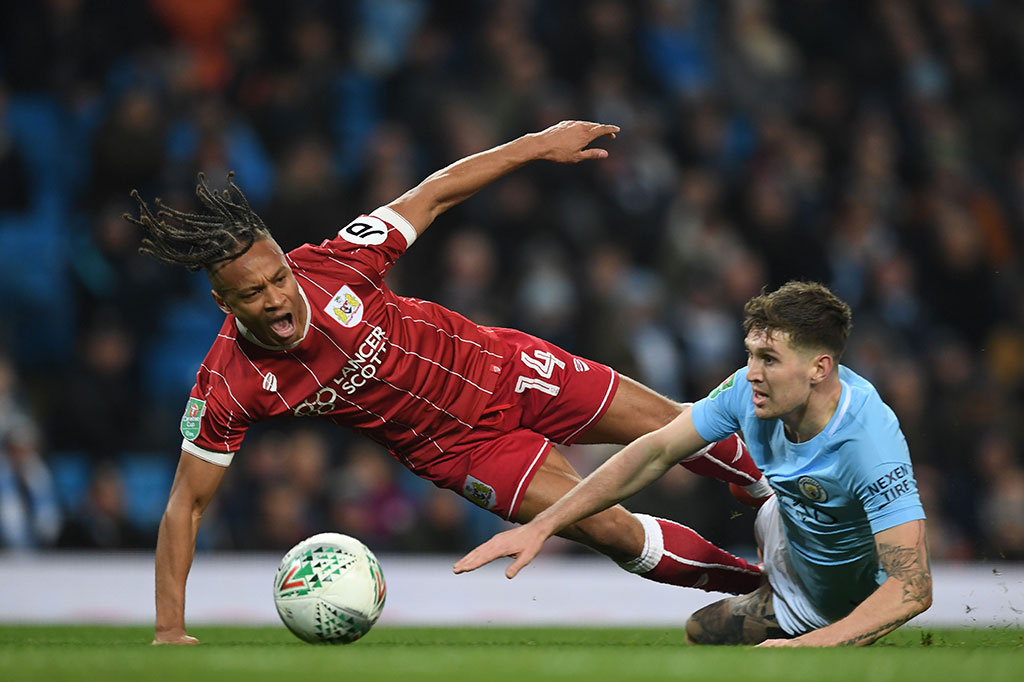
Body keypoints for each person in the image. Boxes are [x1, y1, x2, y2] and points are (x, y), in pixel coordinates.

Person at [126, 121, 773, 645]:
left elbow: (432, 193)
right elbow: (187, 503)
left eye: (277, 279)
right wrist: (168, 628)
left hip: (506, 369)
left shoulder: (333, 264)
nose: (275, 298)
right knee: (611, 531)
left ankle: (772, 497)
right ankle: (761, 590)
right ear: (222, 304)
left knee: (680, 427)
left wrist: (537, 145)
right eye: (253, 293)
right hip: (462, 450)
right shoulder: (230, 384)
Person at [455, 281, 932, 647]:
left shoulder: (868, 443)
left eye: (769, 358)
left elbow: (912, 589)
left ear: (819, 369)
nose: (751, 372)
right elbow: (654, 451)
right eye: (750, 354)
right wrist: (544, 524)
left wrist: (809, 648)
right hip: (793, 564)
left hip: (847, 604)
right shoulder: (749, 390)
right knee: (700, 631)